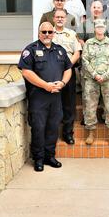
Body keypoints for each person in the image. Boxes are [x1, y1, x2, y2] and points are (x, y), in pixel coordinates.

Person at [18, 22, 72, 172]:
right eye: (44, 32)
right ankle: (39, 159)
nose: (47, 34)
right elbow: (26, 72)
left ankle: (50, 156)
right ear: (39, 33)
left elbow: (68, 69)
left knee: (53, 128)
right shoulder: (30, 50)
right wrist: (45, 85)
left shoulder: (60, 51)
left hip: (56, 97)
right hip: (39, 98)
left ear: (53, 33)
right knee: (38, 128)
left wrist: (62, 83)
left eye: (50, 31)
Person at [81, 19, 109, 146]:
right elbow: (85, 61)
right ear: (94, 29)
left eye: (102, 27)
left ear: (105, 29)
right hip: (92, 79)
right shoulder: (89, 43)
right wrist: (95, 75)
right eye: (98, 27)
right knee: (90, 106)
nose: (100, 29)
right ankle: (91, 133)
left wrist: (106, 75)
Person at [53, 9, 82, 145]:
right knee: (53, 104)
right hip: (52, 73)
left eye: (62, 17)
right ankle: (52, 134)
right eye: (57, 17)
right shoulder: (48, 33)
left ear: (65, 19)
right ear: (53, 18)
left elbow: (77, 52)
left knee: (69, 105)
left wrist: (67, 66)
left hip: (68, 72)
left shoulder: (71, 34)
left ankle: (68, 133)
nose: (60, 19)